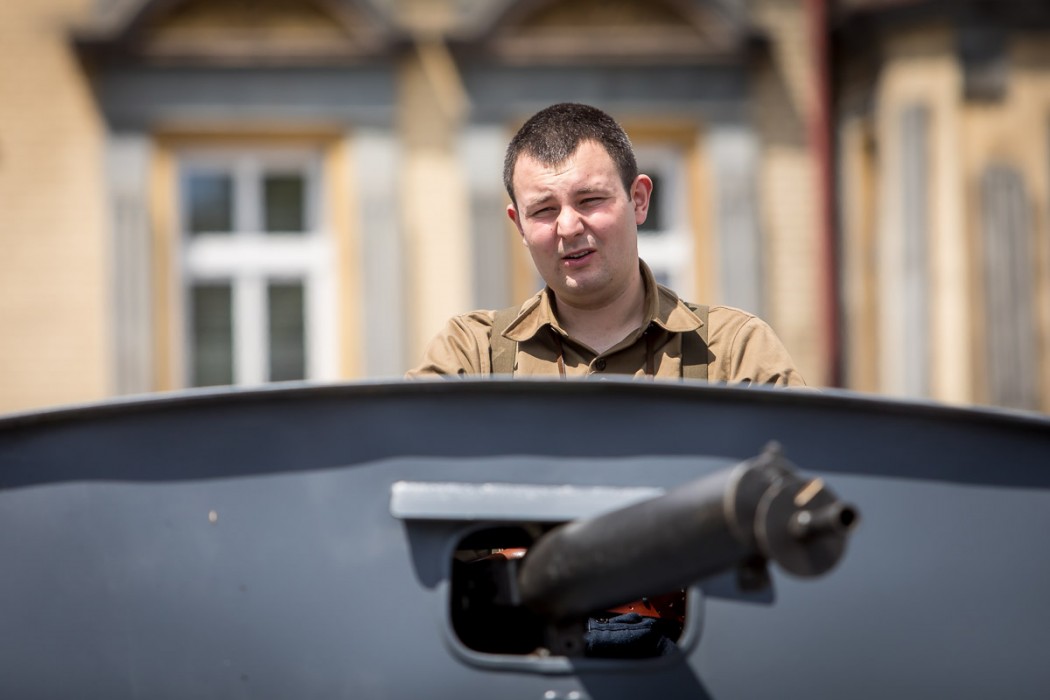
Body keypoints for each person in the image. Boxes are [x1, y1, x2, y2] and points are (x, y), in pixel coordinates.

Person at [406, 102, 805, 386]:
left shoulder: (733, 353)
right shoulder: (473, 357)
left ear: (639, 200)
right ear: (520, 226)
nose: (568, 227)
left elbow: (802, 473)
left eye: (590, 200)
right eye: (544, 210)